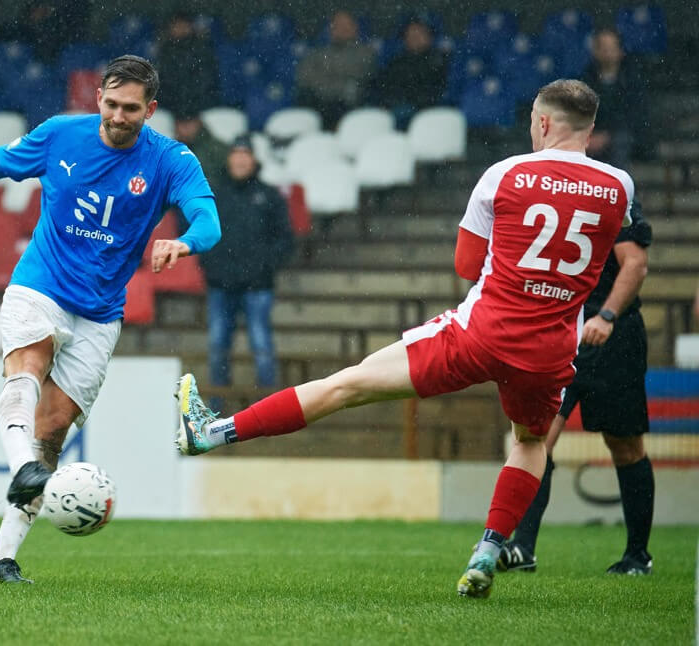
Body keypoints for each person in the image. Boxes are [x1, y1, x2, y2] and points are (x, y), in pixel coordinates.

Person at [175, 79, 635, 599]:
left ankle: (214, 432)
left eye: (533, 119)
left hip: (480, 334)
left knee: (346, 385)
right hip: (549, 349)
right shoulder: (619, 187)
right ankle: (488, 550)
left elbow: (467, 265)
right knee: (529, 443)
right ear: (590, 127)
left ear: (544, 122)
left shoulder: (505, 174)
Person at [0, 55, 220, 584]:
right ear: (98, 99)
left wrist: (185, 242)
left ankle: (1, 561)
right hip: (41, 284)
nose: (118, 116)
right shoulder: (62, 134)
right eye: (111, 104)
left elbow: (207, 218)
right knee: (27, 368)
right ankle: (24, 469)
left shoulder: (171, 159)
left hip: (101, 310)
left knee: (53, 429)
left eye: (131, 109)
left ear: (150, 110)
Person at [499, 199, 653, 575]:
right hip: (560, 335)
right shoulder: (550, 193)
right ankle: (523, 548)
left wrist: (606, 315)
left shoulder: (613, 194)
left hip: (613, 338)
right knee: (537, 438)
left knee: (625, 446)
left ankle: (637, 556)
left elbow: (635, 263)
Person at [200, 135, 294, 389]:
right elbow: (198, 230)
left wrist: (263, 267)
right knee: (218, 347)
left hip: (258, 285)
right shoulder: (215, 195)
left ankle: (269, 406)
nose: (240, 160)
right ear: (229, 159)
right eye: (236, 154)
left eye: (245, 155)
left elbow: (285, 239)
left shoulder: (269, 195)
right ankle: (217, 407)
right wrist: (212, 266)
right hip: (221, 284)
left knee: (261, 346)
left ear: (254, 159)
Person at [295, 10, 375, 130]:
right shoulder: (318, 53)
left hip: (348, 106)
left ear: (355, 27)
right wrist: (335, 84)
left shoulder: (366, 53)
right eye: (338, 25)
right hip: (320, 105)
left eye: (346, 25)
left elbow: (357, 76)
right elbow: (304, 76)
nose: (342, 29)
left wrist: (326, 81)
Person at [582, 28, 648, 168]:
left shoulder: (632, 81)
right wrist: (589, 135)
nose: (607, 52)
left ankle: (617, 180)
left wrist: (607, 136)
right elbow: (580, 113)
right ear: (595, 51)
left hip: (623, 137)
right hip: (591, 136)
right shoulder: (585, 80)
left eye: (611, 47)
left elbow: (634, 115)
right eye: (603, 47)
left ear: (620, 51)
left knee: (621, 141)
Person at [372, 18, 447, 129]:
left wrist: (414, 102)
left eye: (419, 33)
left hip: (422, 110)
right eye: (411, 34)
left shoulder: (438, 61)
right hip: (395, 107)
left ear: (429, 37)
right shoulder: (397, 61)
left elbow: (437, 89)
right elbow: (384, 85)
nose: (414, 37)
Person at [155, 12, 220, 118]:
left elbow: (205, 81)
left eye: (183, 25)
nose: (180, 29)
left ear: (190, 26)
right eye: (176, 26)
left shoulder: (201, 49)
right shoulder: (165, 50)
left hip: (199, 106)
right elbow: (163, 81)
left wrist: (192, 111)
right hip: (170, 107)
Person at [173, 113, 229, 185]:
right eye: (181, 124)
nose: (185, 128)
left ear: (198, 123)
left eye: (189, 123)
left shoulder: (216, 148)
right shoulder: (171, 150)